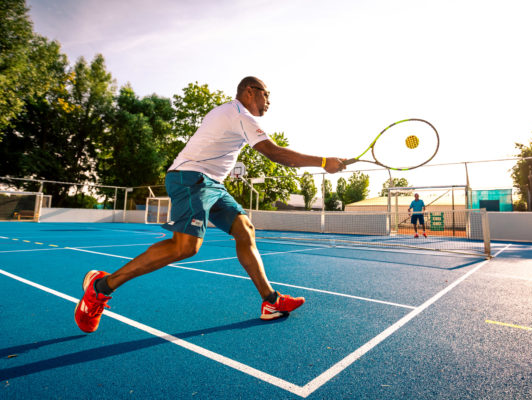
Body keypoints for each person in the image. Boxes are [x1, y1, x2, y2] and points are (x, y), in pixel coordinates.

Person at [75, 76, 346, 333]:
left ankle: (271, 301)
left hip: (211, 183)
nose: (269, 101)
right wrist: (324, 162)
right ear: (249, 91)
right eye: (266, 94)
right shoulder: (239, 114)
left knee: (245, 230)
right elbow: (274, 153)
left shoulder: (228, 113)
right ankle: (101, 287)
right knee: (185, 247)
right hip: (191, 177)